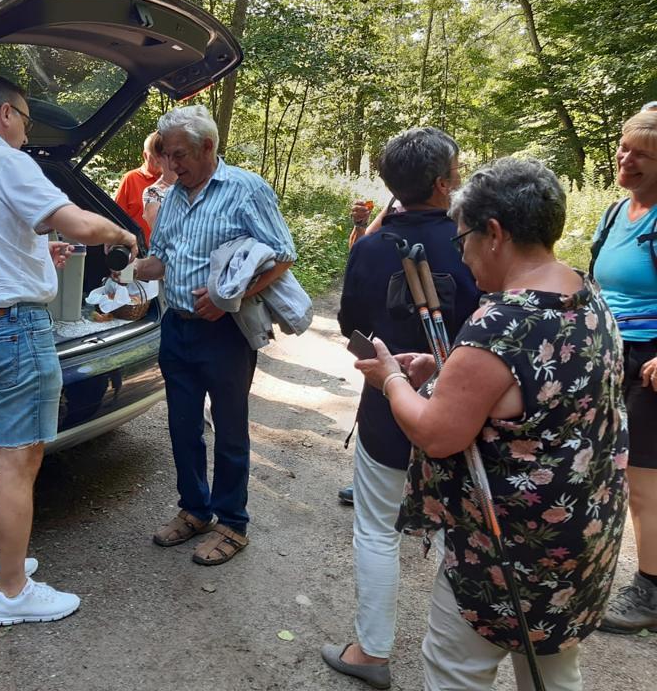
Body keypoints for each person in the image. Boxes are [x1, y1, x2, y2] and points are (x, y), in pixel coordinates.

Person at [354, 157, 627, 690]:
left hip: (506, 548)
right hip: (578, 533)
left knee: (457, 669)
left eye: (463, 240)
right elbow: (528, 395)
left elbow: (436, 434)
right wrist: (445, 374)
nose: (462, 254)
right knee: (551, 670)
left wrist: (391, 380)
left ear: (495, 234)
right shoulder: (585, 294)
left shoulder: (503, 321)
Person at [0, 76, 137, 625]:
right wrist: (122, 234)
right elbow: (81, 224)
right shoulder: (7, 162)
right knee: (20, 459)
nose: (27, 131)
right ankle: (14, 592)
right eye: (25, 119)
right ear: (6, 113)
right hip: (16, 331)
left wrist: (35, 256)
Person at [323, 127, 479, 689]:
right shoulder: (476, 242)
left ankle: (372, 652)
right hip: (466, 410)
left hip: (387, 406)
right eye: (455, 171)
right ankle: (456, 657)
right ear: (441, 184)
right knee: (459, 532)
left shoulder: (370, 247)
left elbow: (351, 325)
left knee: (376, 529)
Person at [134, 104, 296, 565]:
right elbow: (162, 259)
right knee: (182, 426)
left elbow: (283, 254)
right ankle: (195, 509)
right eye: (165, 155)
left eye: (179, 155)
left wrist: (232, 298)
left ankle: (232, 523)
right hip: (176, 328)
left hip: (226, 333)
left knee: (229, 429)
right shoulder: (171, 196)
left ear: (207, 146)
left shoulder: (246, 189)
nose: (170, 165)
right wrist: (129, 266)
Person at [592, 110, 657, 634]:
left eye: (642, 154)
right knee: (608, 471)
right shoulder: (616, 213)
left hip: (651, 364)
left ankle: (652, 592)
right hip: (611, 353)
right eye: (624, 147)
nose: (626, 159)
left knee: (644, 480)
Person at [114, 131, 164, 244]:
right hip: (139, 250)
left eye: (163, 154)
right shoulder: (130, 179)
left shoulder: (176, 180)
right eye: (155, 155)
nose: (160, 159)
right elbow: (116, 218)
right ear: (145, 155)